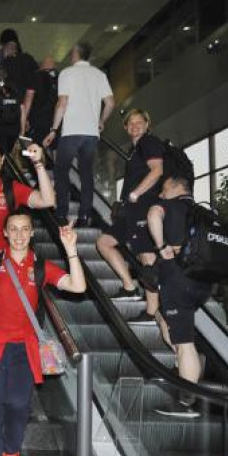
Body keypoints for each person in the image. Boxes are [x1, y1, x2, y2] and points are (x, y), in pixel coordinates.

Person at [0, 210, 86, 456]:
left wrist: (71, 250)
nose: (18, 234)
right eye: (12, 229)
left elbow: (79, 286)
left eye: (24, 229)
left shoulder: (40, 267)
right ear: (4, 233)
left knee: (17, 405)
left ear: (31, 234)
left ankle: (11, 448)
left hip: (25, 349)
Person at [148, 175, 211, 418]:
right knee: (161, 317)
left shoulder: (170, 205)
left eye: (164, 188)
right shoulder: (202, 212)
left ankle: (187, 402)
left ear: (176, 188)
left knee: (185, 343)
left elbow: (154, 214)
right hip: (202, 283)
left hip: (178, 280)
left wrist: (161, 245)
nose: (161, 194)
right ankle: (186, 362)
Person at [96, 109, 163, 325]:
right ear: (125, 128)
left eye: (139, 122)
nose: (134, 126)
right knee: (104, 242)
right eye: (130, 123)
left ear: (147, 123)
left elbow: (157, 170)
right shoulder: (135, 150)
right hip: (131, 212)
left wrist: (136, 193)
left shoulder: (149, 142)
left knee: (147, 258)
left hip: (144, 208)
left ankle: (152, 312)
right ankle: (130, 287)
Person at [43, 42, 115, 227]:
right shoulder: (99, 75)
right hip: (91, 134)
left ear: (76, 54)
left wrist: (53, 129)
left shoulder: (67, 73)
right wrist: (101, 121)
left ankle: (62, 212)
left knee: (61, 170)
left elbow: (62, 102)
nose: (69, 55)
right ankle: (84, 215)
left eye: (71, 52)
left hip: (72, 132)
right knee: (86, 174)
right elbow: (110, 103)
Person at [24, 57, 58, 150]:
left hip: (37, 122)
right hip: (55, 123)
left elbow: (29, 98)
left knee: (35, 150)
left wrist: (25, 118)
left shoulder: (35, 76)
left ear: (41, 66)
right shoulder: (60, 77)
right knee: (53, 149)